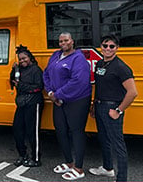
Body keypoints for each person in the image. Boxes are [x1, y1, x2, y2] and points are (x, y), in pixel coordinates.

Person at [89, 35, 138, 182]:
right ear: (101, 47)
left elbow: (133, 92)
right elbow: (99, 86)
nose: (108, 49)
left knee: (118, 145)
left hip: (112, 108)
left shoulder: (121, 67)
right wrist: (93, 104)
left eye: (111, 46)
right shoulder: (99, 64)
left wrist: (118, 110)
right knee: (104, 139)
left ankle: (121, 178)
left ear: (117, 48)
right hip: (99, 105)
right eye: (105, 46)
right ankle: (107, 168)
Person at [43, 32, 91, 180]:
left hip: (77, 100)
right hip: (57, 99)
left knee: (76, 132)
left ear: (72, 41)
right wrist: (51, 92)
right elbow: (46, 74)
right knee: (61, 131)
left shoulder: (78, 58)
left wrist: (58, 95)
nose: (63, 43)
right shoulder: (55, 55)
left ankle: (79, 168)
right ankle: (69, 162)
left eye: (66, 40)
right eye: (60, 41)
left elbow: (78, 81)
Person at [10, 45, 44, 167]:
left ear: (29, 57)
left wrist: (21, 86)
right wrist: (13, 71)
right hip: (22, 103)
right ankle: (22, 155)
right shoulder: (20, 70)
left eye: (24, 58)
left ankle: (35, 158)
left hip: (33, 103)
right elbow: (12, 82)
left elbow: (39, 87)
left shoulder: (36, 70)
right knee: (17, 129)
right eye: (20, 59)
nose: (22, 61)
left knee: (32, 132)